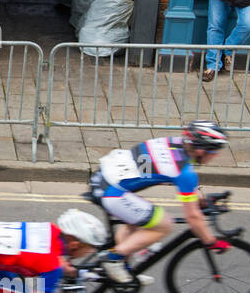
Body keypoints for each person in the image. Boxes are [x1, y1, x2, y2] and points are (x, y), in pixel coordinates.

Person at [89, 121, 232, 283]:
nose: (217, 155)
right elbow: (193, 217)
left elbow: (167, 170)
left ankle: (124, 267)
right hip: (112, 192)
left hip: (103, 178)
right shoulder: (184, 173)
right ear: (201, 150)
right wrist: (211, 241)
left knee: (140, 218)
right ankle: (113, 259)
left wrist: (199, 197)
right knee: (164, 223)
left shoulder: (175, 144)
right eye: (215, 150)